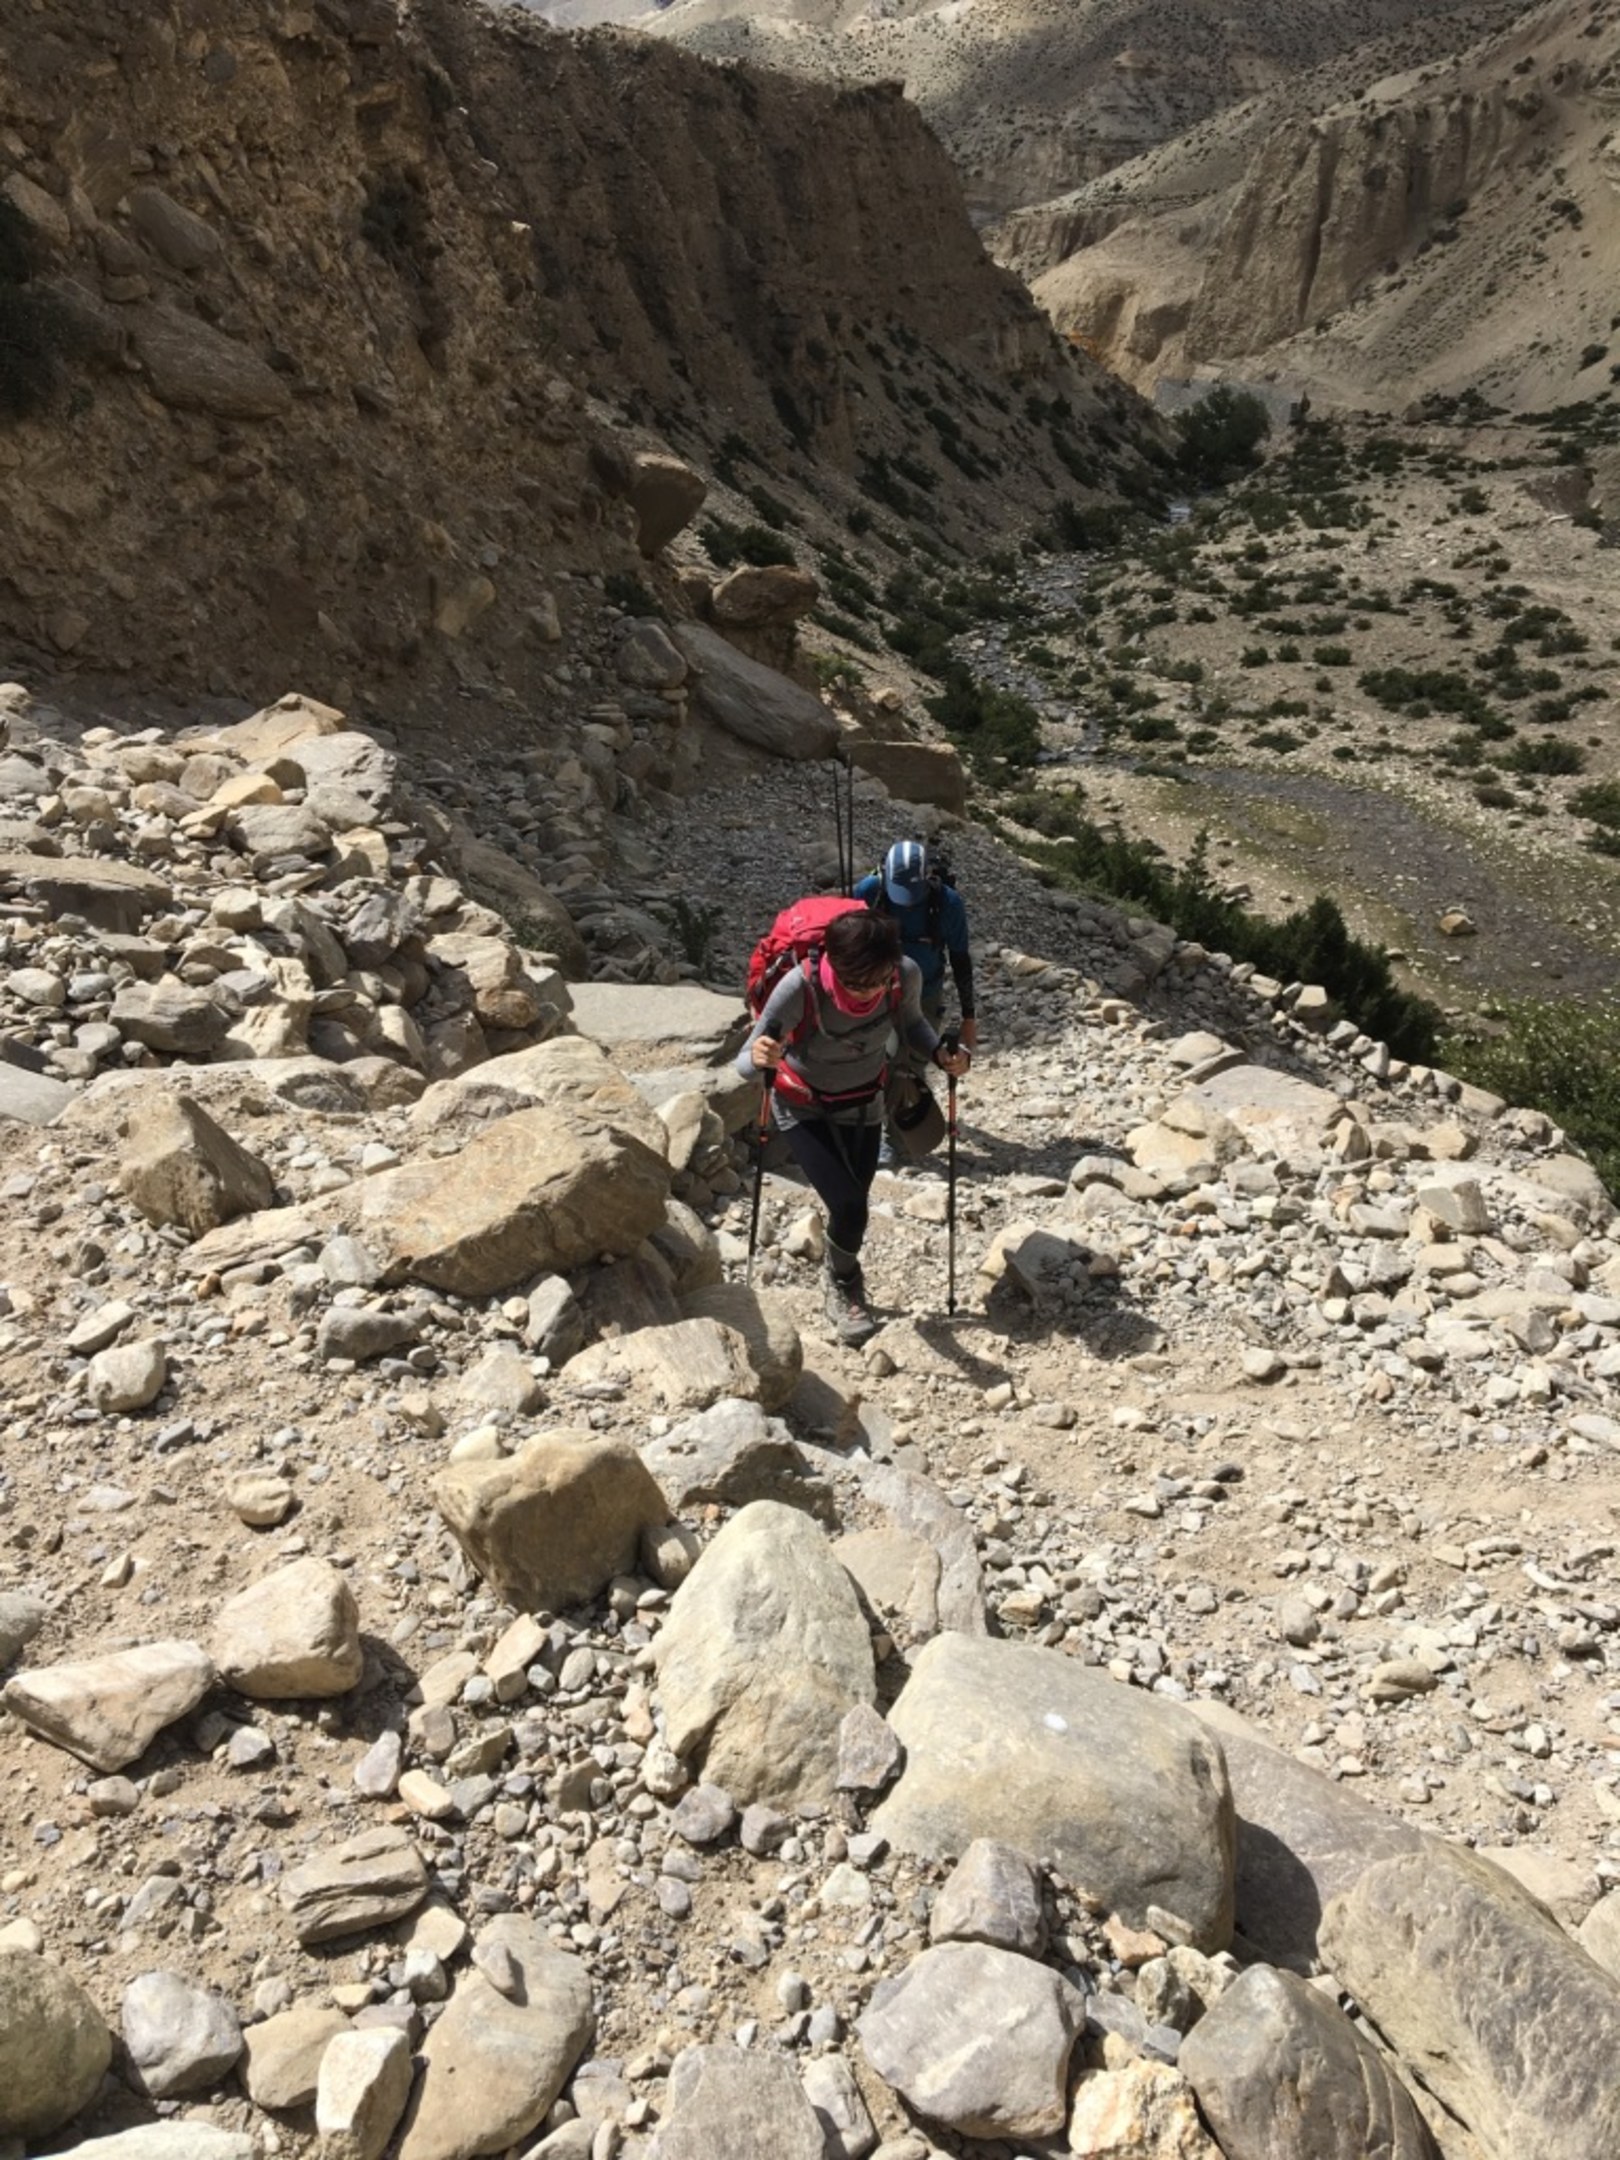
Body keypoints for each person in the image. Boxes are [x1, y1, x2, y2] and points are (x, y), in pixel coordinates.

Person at [737, 907, 970, 1345]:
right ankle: (844, 1284)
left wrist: (942, 1054)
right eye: (858, 983)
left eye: (879, 981)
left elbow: (913, 1022)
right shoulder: (800, 987)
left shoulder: (902, 974)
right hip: (802, 1107)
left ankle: (837, 1266)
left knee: (853, 1206)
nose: (871, 992)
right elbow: (743, 1064)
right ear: (833, 963)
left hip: (865, 1104)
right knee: (850, 1208)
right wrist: (758, 1057)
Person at [853, 839, 978, 1164]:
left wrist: (969, 1017)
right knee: (871, 1059)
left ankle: (895, 1140)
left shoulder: (947, 903)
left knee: (912, 1064)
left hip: (924, 992)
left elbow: (961, 959)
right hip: (872, 990)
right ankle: (868, 1130)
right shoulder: (868, 892)